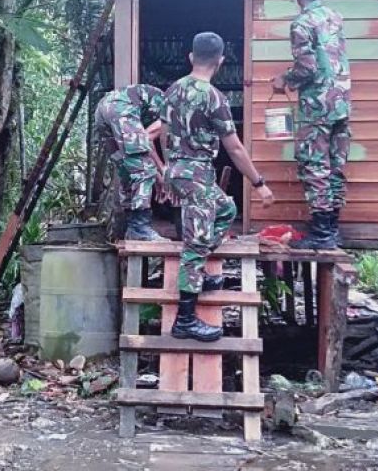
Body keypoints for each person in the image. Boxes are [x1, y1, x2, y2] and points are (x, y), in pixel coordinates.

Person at [162, 32, 274, 342]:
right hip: (195, 173)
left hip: (179, 169)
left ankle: (196, 274)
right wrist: (259, 184)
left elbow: (164, 130)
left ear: (190, 56)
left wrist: (169, 169)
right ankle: (184, 321)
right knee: (195, 244)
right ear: (220, 61)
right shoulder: (214, 98)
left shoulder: (172, 90)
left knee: (226, 209)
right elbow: (235, 149)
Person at [271, 0, 351, 250]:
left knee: (315, 165)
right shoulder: (335, 17)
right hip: (342, 102)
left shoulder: (301, 24)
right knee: (336, 165)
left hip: (317, 106)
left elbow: (307, 68)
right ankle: (332, 227)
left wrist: (285, 80)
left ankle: (322, 233)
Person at [95, 84, 169, 241]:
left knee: (127, 167)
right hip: (120, 108)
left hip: (104, 108)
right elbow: (147, 139)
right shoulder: (175, 111)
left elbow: (144, 142)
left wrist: (158, 176)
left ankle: (126, 227)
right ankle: (139, 228)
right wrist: (162, 171)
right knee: (143, 169)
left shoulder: (154, 102)